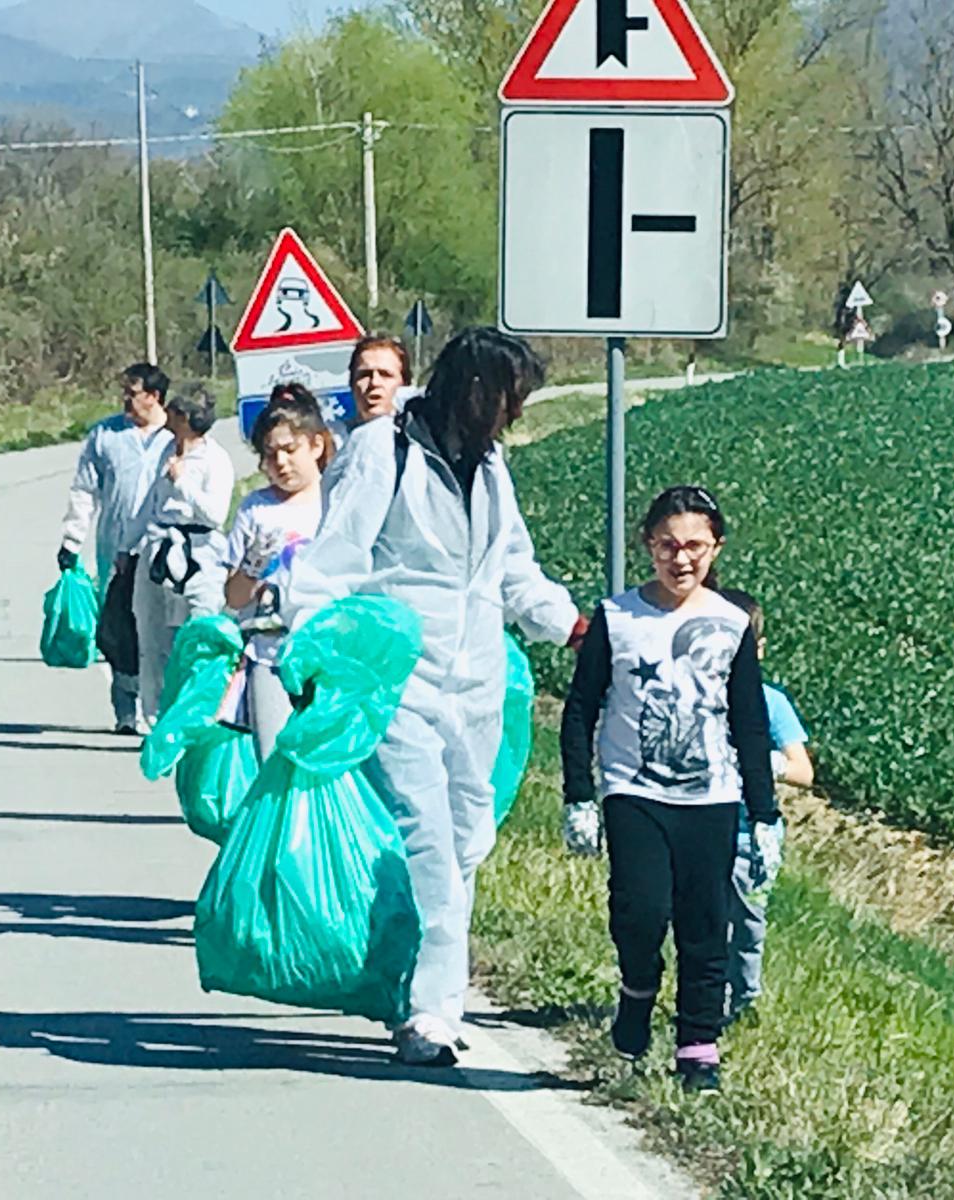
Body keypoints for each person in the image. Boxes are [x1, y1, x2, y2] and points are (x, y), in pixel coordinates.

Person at [282, 327, 583, 1067]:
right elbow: (332, 562)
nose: (514, 416)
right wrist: (311, 658)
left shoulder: (492, 465)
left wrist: (572, 626)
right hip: (400, 679)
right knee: (428, 842)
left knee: (467, 842)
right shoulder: (384, 450)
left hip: (476, 679)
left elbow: (513, 568)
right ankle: (431, 1014)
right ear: (477, 391)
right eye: (509, 400)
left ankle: (416, 988)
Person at [559, 485, 779, 1095]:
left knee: (706, 925)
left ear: (716, 549)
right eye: (667, 546)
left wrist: (765, 814)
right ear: (647, 546)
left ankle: (697, 1047)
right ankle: (637, 989)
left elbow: (749, 720)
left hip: (711, 796)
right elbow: (581, 707)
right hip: (634, 791)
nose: (680, 560)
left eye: (694, 547)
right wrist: (580, 794)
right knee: (640, 911)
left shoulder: (732, 624)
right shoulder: (617, 617)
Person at [57, 363, 174, 734]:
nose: (125, 399)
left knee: (155, 629)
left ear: (154, 397)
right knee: (117, 631)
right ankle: (126, 708)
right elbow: (85, 490)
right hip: (116, 550)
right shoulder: (106, 435)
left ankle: (156, 708)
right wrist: (72, 539)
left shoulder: (175, 436)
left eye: (133, 392)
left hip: (161, 552)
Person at [222, 387, 333, 760]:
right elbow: (234, 598)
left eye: (290, 450)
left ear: (316, 446)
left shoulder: (338, 502)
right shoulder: (256, 509)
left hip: (327, 652)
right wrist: (253, 564)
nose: (281, 463)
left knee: (323, 759)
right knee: (272, 758)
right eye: (270, 455)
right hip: (268, 653)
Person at [717, 588, 812, 1024]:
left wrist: (763, 760)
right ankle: (707, 1003)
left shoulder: (771, 704)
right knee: (707, 922)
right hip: (704, 827)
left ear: (759, 650)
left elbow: (802, 770)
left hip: (752, 838)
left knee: (750, 923)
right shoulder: (701, 695)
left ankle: (745, 1000)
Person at [127, 387, 235, 722]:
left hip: (200, 555)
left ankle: (199, 712)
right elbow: (150, 503)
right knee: (152, 635)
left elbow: (215, 515)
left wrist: (183, 482)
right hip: (159, 547)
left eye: (174, 415)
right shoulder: (167, 451)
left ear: (186, 419)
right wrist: (127, 546)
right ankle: (155, 715)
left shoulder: (215, 459)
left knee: (198, 636)